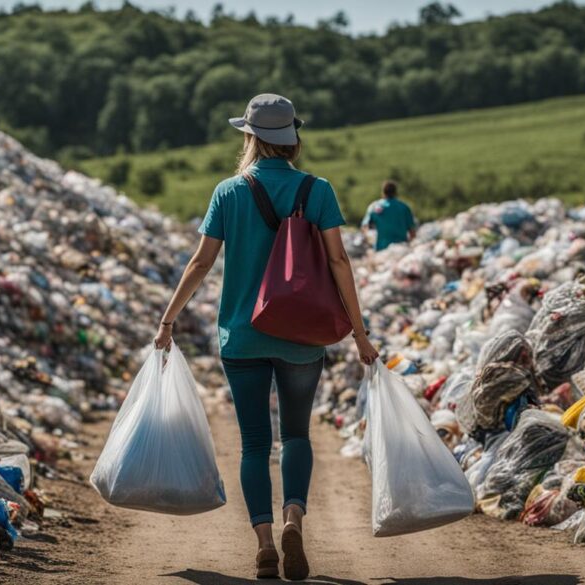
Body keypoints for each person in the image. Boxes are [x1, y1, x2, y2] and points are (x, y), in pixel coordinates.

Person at [153, 93, 379, 581]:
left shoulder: (228, 192)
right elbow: (339, 263)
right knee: (296, 434)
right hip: (302, 337)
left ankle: (263, 546)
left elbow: (202, 262)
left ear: (251, 138)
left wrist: (168, 320)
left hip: (244, 336)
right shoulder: (318, 190)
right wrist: (359, 334)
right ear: (293, 140)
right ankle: (292, 518)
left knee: (255, 443)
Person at [360, 180, 417, 251]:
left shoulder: (374, 207)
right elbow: (412, 232)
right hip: (400, 249)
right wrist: (408, 244)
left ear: (383, 192)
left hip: (381, 249)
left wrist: (370, 243)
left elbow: (364, 228)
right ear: (396, 192)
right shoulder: (404, 207)